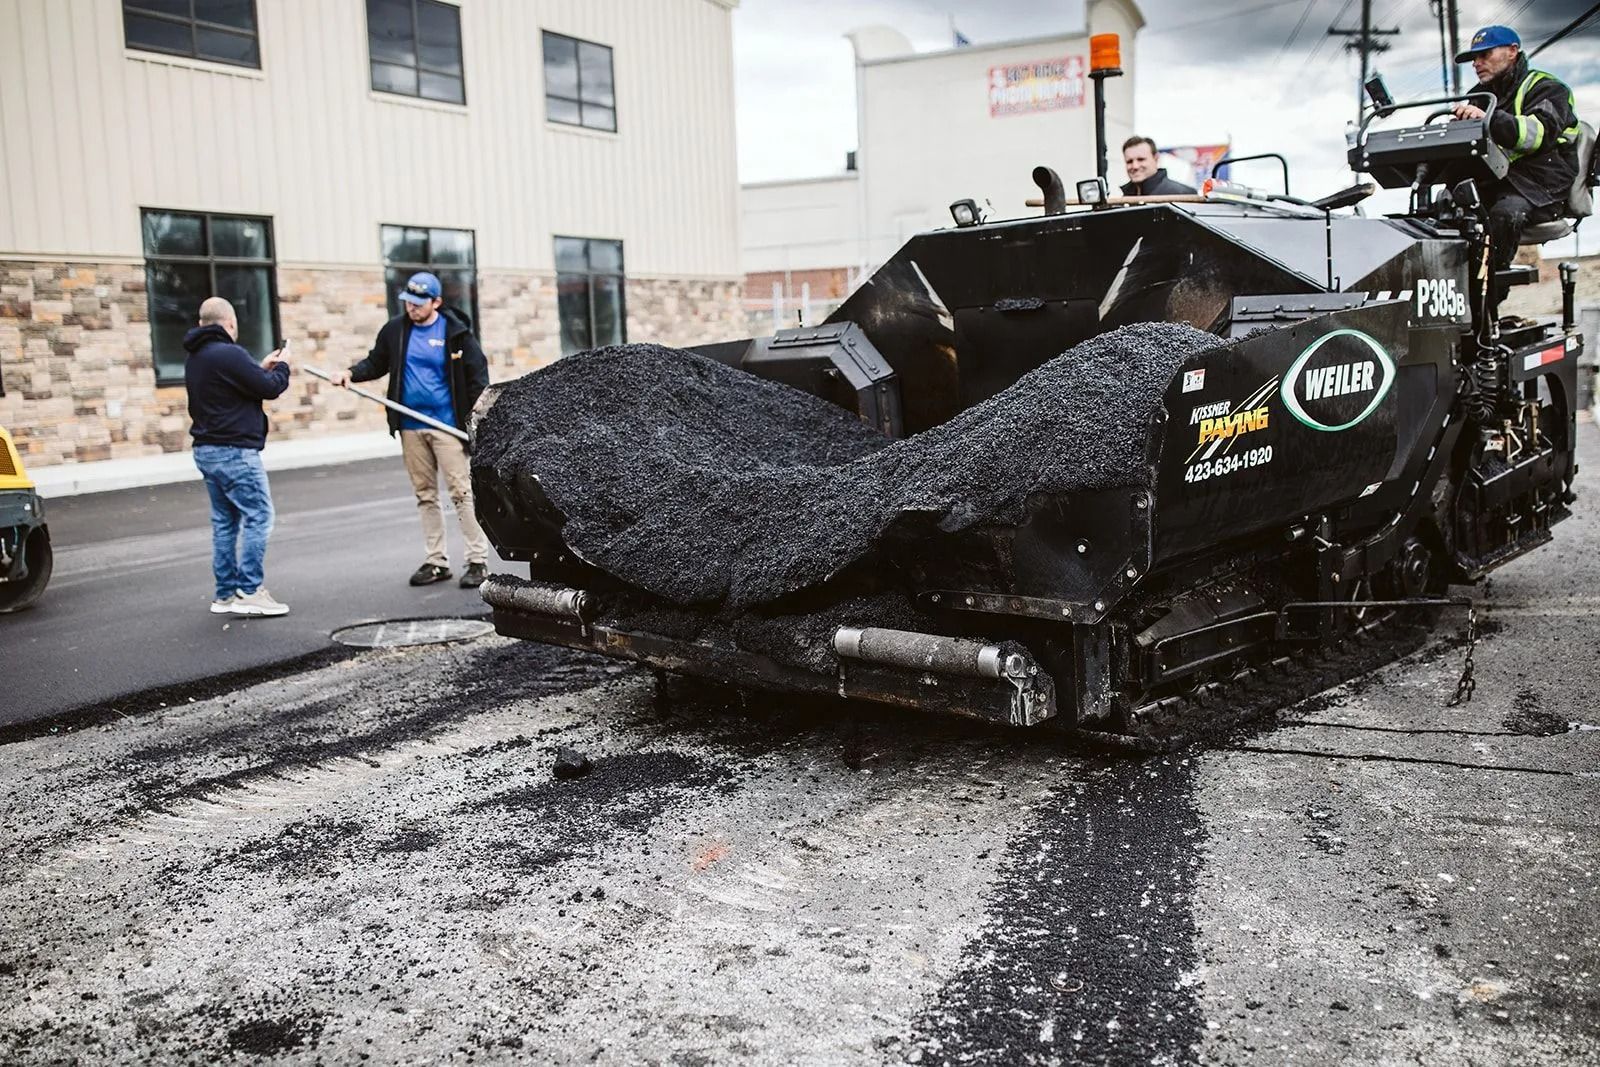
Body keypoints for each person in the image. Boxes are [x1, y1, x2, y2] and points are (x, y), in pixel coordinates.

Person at [333, 272, 491, 588]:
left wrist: (477, 422)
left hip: (446, 426)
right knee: (425, 495)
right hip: (410, 426)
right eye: (408, 302)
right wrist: (350, 373)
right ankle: (436, 561)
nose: (412, 307)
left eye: (419, 303)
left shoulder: (456, 334)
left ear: (436, 302)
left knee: (461, 493)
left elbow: (477, 380)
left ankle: (477, 560)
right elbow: (375, 363)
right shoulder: (396, 330)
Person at [1450, 25, 1581, 297]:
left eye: (1484, 54)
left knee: (1504, 214)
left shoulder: (1548, 88)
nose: (1476, 63)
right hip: (1498, 182)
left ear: (1512, 51)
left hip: (1541, 187)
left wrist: (1488, 119)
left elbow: (1538, 134)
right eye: (1473, 58)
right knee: (1446, 210)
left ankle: (1487, 301)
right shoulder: (1479, 95)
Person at [184, 296, 292, 617]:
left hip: (207, 450)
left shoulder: (197, 357)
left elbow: (239, 384)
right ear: (230, 323)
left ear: (202, 324)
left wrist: (259, 368)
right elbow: (270, 388)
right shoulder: (229, 353)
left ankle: (225, 594)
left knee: (225, 523)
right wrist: (283, 365)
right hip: (234, 452)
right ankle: (250, 590)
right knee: (260, 517)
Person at [1121, 137, 1197, 197]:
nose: (1135, 166)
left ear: (1156, 158)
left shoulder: (1183, 194)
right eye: (1129, 161)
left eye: (1141, 159)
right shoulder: (1124, 199)